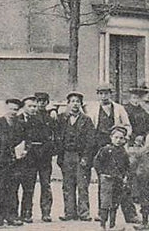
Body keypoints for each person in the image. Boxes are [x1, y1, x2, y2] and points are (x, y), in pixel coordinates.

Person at [91, 83, 137, 225]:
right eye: (101, 93)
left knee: (122, 185)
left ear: (111, 94)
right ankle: (102, 212)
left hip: (118, 146)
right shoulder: (93, 109)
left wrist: (124, 137)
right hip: (102, 149)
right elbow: (91, 128)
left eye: (106, 93)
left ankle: (130, 214)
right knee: (104, 183)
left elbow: (128, 125)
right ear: (98, 95)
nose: (104, 96)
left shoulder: (119, 109)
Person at [55, 91, 95, 221]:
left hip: (80, 156)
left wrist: (86, 158)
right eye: (72, 101)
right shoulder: (62, 118)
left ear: (81, 104)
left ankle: (84, 213)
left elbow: (90, 141)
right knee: (67, 185)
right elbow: (57, 137)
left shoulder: (86, 120)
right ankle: (69, 213)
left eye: (77, 102)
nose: (75, 104)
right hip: (66, 155)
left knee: (82, 185)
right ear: (68, 104)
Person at [19, 94, 56, 223]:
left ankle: (46, 212)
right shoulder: (24, 119)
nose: (35, 107)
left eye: (38, 104)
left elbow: (53, 135)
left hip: (45, 156)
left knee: (46, 185)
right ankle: (26, 213)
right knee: (28, 186)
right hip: (30, 156)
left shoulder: (49, 118)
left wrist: (48, 149)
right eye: (32, 105)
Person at [0, 98, 26, 227]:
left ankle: (12, 215)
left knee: (13, 189)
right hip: (1, 161)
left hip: (16, 162)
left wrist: (24, 150)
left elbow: (26, 140)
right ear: (5, 108)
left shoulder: (21, 124)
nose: (13, 112)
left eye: (16, 110)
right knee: (0, 188)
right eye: (11, 109)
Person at [93, 125, 130, 230]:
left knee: (114, 203)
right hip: (106, 180)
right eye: (116, 137)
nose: (118, 140)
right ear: (111, 137)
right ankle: (102, 224)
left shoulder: (123, 152)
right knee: (105, 202)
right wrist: (101, 173)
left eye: (121, 138)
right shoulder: (105, 150)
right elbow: (97, 162)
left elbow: (127, 166)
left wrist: (125, 177)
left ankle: (112, 224)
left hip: (118, 180)